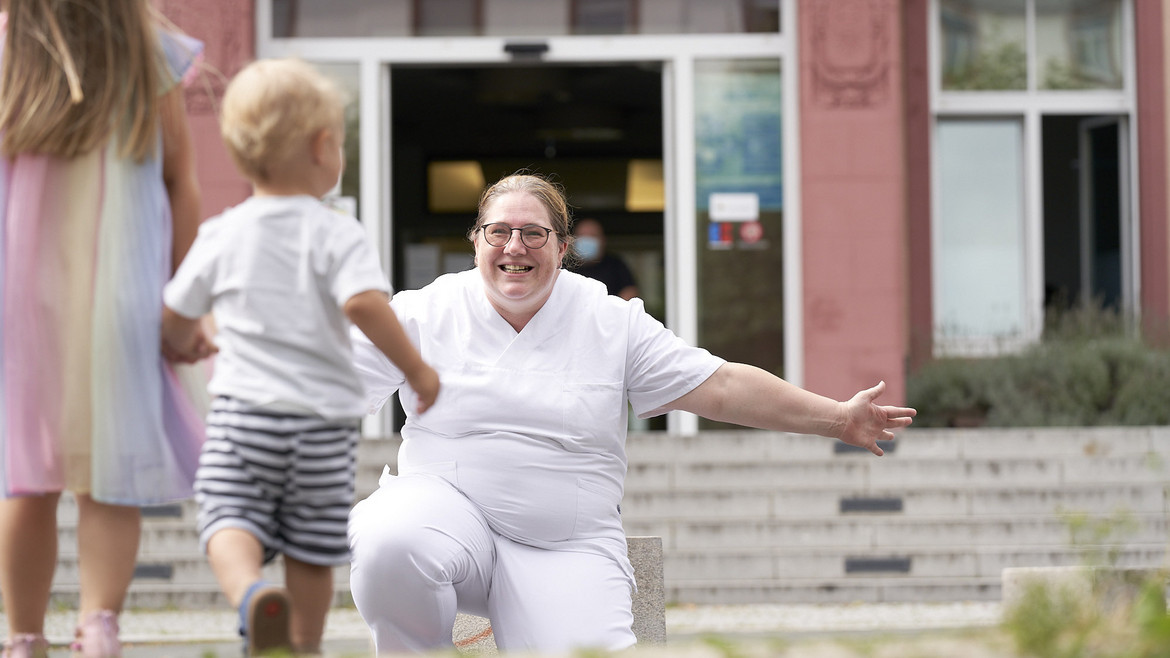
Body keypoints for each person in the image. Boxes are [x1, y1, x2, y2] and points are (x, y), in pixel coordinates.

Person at [346, 173, 916, 655]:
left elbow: (718, 386)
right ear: (476, 241)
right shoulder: (422, 311)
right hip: (445, 524)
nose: (514, 246)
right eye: (499, 231)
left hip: (565, 545)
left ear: (563, 247)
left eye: (534, 233)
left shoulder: (608, 319)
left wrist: (838, 418)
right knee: (386, 539)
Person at [160, 57, 440, 656]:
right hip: (322, 425)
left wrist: (185, 343)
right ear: (323, 148)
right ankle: (304, 645)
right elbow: (366, 305)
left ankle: (252, 593)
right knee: (313, 546)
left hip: (244, 416)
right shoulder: (336, 231)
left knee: (226, 517)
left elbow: (177, 314)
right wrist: (416, 370)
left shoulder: (223, 232)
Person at [0, 1, 205, 656]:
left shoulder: (7, 50)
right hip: (123, 297)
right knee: (109, 475)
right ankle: (98, 627)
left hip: (22, 304)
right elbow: (181, 182)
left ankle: (26, 637)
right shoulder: (144, 51)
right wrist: (182, 307)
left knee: (27, 478)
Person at [570, 217, 639, 300]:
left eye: (592, 236)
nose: (587, 239)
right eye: (582, 236)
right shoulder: (563, 266)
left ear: (603, 240)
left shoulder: (615, 265)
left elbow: (629, 292)